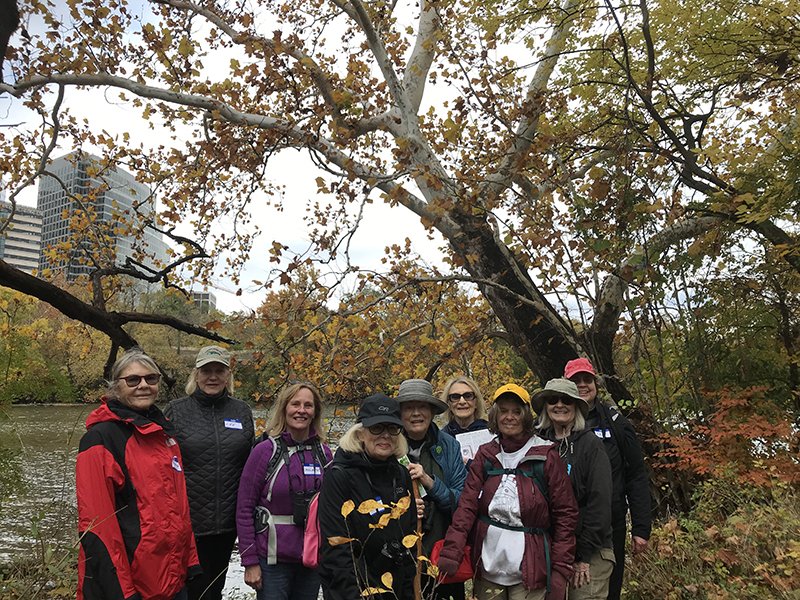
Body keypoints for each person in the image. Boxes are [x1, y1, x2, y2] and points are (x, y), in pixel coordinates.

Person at [76, 348, 200, 600]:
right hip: (132, 585)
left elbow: (180, 509)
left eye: (151, 379)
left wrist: (191, 561)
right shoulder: (100, 440)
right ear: (115, 387)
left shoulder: (165, 435)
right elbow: (98, 526)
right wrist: (121, 591)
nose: (143, 385)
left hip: (173, 579)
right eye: (133, 380)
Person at [437, 383, 578, 600]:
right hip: (488, 565)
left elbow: (565, 515)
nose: (509, 417)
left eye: (516, 411)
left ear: (526, 416)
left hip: (531, 566)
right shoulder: (486, 455)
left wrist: (560, 568)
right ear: (495, 415)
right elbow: (467, 506)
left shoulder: (546, 455)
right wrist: (452, 549)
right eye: (503, 411)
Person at [164, 345, 255, 600]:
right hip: (187, 523)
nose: (212, 376)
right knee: (182, 590)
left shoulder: (241, 411)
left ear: (228, 376)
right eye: (206, 370)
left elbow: (252, 464)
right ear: (196, 374)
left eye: (219, 370)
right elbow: (161, 465)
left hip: (226, 525)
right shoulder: (176, 410)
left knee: (213, 590)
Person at [236, 381, 333, 600]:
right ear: (284, 408)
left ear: (315, 411)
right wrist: (249, 561)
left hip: (310, 559)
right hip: (272, 561)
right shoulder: (264, 452)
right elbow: (244, 509)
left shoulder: (324, 454)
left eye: (308, 405)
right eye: (295, 404)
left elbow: (333, 508)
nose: (301, 410)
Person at [563, 358, 651, 600]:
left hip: (610, 526)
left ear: (595, 383)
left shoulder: (617, 424)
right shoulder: (555, 425)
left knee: (608, 590)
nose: (582, 385)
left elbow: (636, 475)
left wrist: (641, 528)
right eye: (575, 381)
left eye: (586, 379)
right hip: (564, 527)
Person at [317, 393, 419, 600]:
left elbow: (409, 540)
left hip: (395, 588)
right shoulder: (339, 476)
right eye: (376, 428)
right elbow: (336, 550)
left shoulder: (400, 475)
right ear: (360, 433)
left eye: (392, 428)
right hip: (353, 589)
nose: (385, 435)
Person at [533, 378, 614, 600]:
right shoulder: (537, 445)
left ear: (576, 405)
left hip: (591, 550)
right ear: (545, 406)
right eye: (552, 400)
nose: (559, 405)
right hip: (550, 551)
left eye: (566, 400)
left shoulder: (591, 445)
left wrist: (583, 556)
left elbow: (600, 502)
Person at [396, 378, 468, 600]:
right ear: (400, 413)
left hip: (439, 550)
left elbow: (461, 502)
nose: (416, 413)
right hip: (398, 552)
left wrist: (430, 483)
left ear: (431, 411)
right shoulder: (386, 444)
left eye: (422, 407)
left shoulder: (449, 446)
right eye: (409, 407)